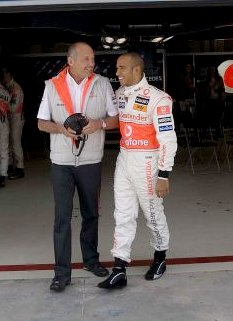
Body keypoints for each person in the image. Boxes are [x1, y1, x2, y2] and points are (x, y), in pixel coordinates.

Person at [37, 42, 119, 292]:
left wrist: (100, 125)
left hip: (90, 160)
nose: (91, 63)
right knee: (62, 218)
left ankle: (91, 261)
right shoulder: (51, 86)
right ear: (70, 61)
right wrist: (62, 128)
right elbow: (41, 123)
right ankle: (61, 273)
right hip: (61, 162)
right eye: (86, 59)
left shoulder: (102, 84)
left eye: (92, 59)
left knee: (91, 213)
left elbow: (115, 119)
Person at [98, 52, 177, 289]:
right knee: (122, 214)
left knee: (152, 214)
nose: (117, 72)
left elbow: (168, 139)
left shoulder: (158, 99)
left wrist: (164, 174)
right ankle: (119, 268)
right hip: (125, 160)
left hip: (148, 163)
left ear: (136, 70)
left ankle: (160, 257)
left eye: (122, 68)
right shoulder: (119, 94)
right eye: (116, 68)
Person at [2, 66, 25, 180]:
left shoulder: (16, 88)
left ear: (9, 74)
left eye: (4, 74)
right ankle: (11, 166)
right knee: (9, 143)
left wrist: (3, 104)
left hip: (16, 118)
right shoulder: (7, 87)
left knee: (15, 142)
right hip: (9, 118)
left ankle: (20, 168)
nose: (3, 77)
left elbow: (14, 107)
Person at [0, 70, 10, 187]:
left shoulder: (5, 91)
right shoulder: (6, 92)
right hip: (4, 123)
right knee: (3, 150)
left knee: (3, 150)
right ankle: (2, 175)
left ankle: (2, 175)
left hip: (3, 122)